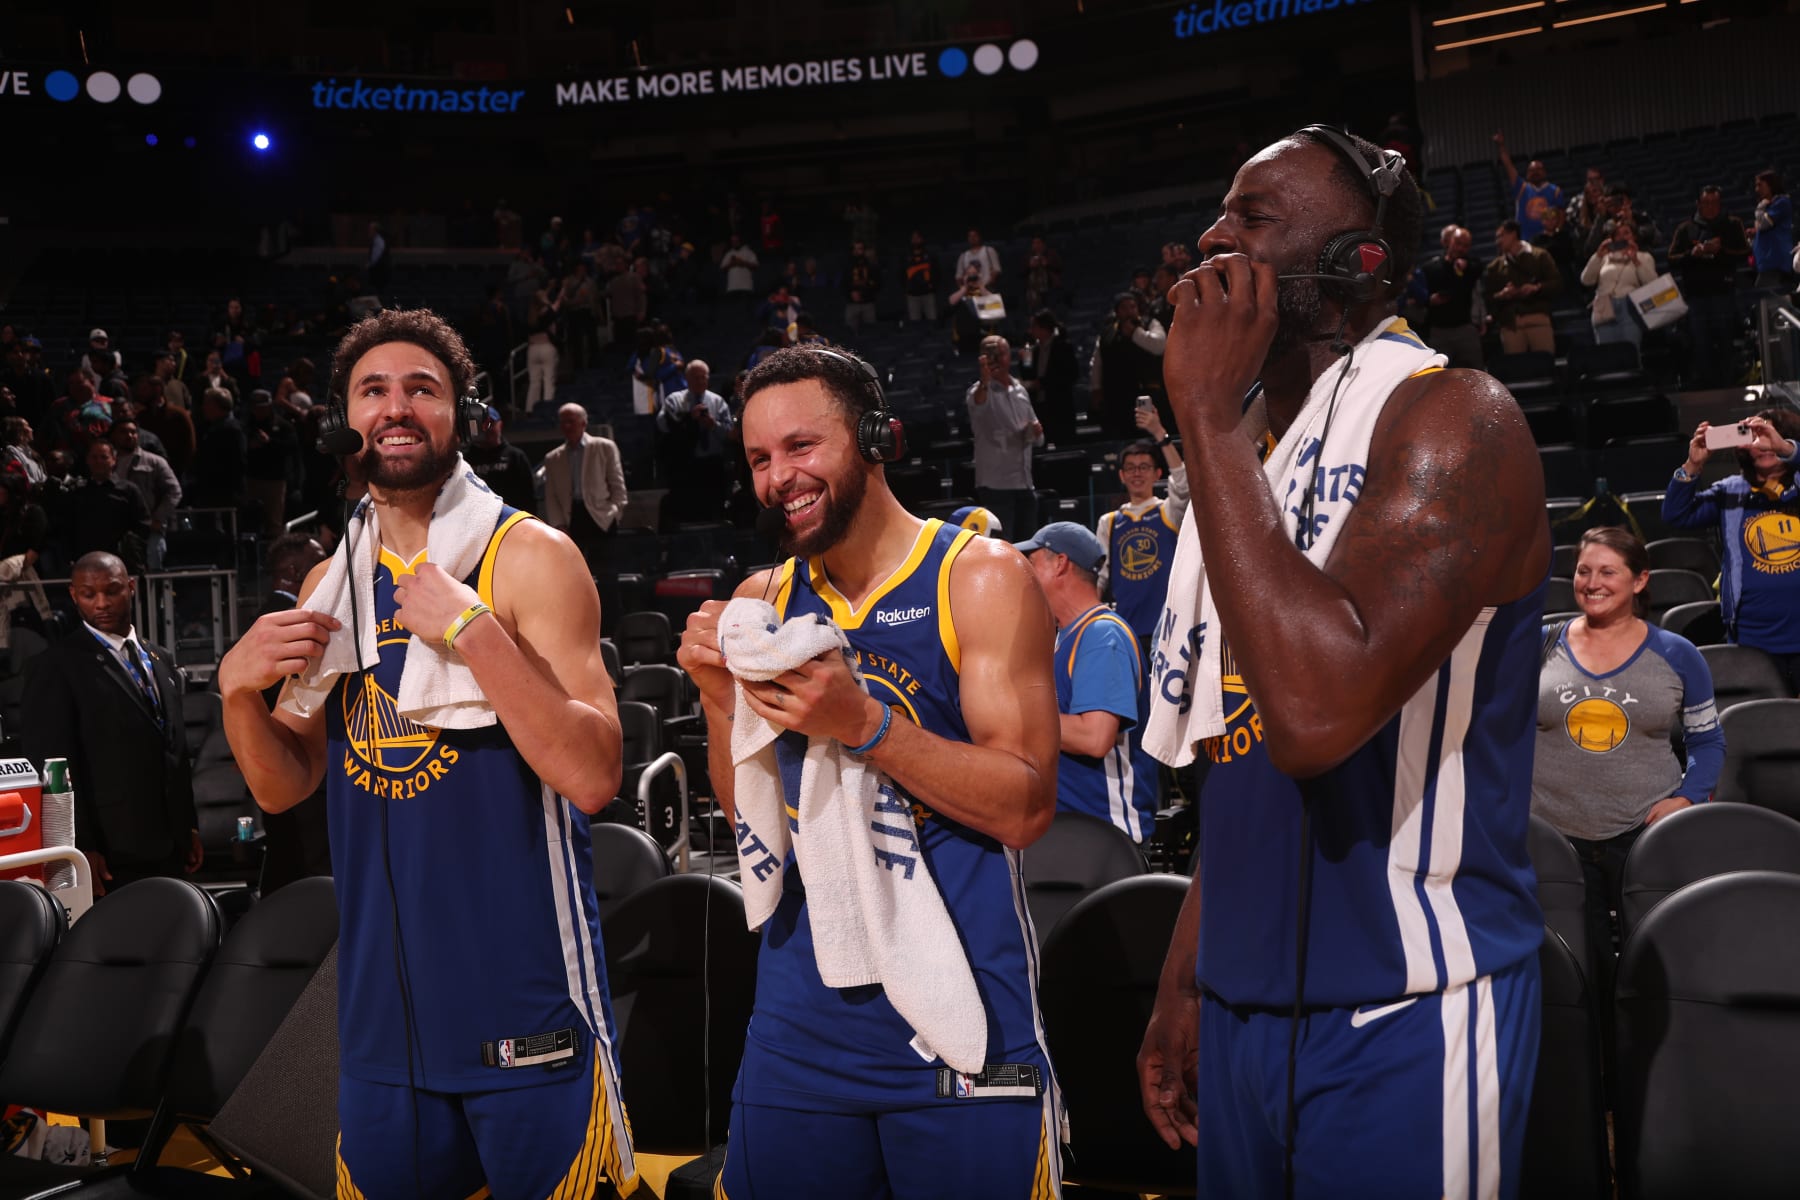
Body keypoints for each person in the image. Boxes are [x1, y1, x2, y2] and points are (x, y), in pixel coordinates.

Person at [1136, 128, 1550, 1199]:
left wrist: (1205, 425)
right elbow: (1245, 740)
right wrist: (1192, 973)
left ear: (1356, 264)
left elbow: (1316, 717)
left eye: (1254, 218)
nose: (1211, 238)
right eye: (1220, 212)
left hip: (1408, 1005)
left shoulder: (1458, 418)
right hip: (1243, 1010)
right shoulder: (1253, 459)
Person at [217, 309, 639, 1198]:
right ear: (344, 421)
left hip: (525, 1005)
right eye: (374, 391)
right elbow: (284, 786)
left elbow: (596, 774)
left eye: (422, 389)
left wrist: (475, 635)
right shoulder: (334, 581)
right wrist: (232, 690)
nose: (397, 408)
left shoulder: (530, 557)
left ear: (463, 413)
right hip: (381, 1024)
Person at [674, 343, 1062, 1199]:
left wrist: (866, 725)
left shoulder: (980, 578)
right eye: (761, 459)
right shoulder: (757, 603)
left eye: (802, 446)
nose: (780, 476)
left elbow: (1028, 806)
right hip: (798, 1024)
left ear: (877, 438)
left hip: (962, 1012)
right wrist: (715, 702)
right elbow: (756, 820)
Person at [1532, 526, 1724, 1054]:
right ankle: (1587, 1084)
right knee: (1575, 971)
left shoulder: (1678, 653)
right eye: (1583, 571)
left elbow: (1708, 743)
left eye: (1607, 571)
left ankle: (1643, 1073)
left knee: (1648, 966)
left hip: (1640, 834)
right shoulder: (1541, 643)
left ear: (1640, 580)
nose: (1592, 583)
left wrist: (1687, 797)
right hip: (1554, 835)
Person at [21, 551, 201, 897]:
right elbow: (55, 764)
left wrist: (188, 824)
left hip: (170, 843)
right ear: (74, 596)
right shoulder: (56, 666)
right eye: (89, 594)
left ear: (130, 587)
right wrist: (80, 844)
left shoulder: (159, 657)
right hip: (110, 849)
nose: (101, 603)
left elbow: (176, 752)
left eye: (112, 590)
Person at [1019, 520, 1159, 843]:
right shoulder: (1060, 638)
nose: (1024, 572)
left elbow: (1094, 737)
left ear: (1060, 563)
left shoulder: (1100, 634)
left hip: (1105, 841)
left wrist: (1018, 717)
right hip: (1071, 833)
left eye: (1033, 561)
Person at [1663, 411, 1800, 693]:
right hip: (1753, 638)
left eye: (1768, 435)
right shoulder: (1730, 492)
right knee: (1767, 726)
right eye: (1754, 437)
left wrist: (1785, 448)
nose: (1761, 445)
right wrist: (1693, 465)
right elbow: (1676, 514)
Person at [1095, 418, 1189, 657]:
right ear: (1121, 475)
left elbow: (1183, 484)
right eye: (1131, 468)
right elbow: (1099, 577)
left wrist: (1160, 433)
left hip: (1167, 626)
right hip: (1125, 627)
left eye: (1144, 467)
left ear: (1157, 473)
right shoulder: (1110, 522)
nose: (1137, 473)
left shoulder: (1168, 511)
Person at [540, 402, 627, 630]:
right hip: (571, 522)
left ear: (584, 423)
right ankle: (582, 629)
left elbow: (618, 487)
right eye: (564, 422)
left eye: (572, 421)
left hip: (601, 519)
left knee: (608, 580)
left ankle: (614, 629)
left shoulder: (604, 447)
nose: (567, 426)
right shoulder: (553, 458)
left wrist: (614, 513)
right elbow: (551, 497)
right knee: (574, 581)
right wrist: (559, 525)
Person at [1668, 186, 1752, 387]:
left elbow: (1744, 254)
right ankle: (1707, 386)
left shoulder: (1732, 224)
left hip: (1724, 293)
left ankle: (1729, 383)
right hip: (1696, 297)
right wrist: (1693, 253)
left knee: (1726, 341)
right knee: (1700, 344)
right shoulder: (1686, 228)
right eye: (1706, 203)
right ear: (1698, 204)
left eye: (1714, 203)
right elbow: (1672, 259)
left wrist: (1721, 251)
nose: (1710, 207)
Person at [966, 335, 1042, 540]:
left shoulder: (1020, 391)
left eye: (1001, 354)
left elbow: (1037, 436)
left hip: (1025, 484)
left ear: (1010, 356)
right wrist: (985, 381)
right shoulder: (979, 390)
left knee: (1028, 549)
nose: (997, 359)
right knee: (1002, 548)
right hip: (996, 487)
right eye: (991, 355)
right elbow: (979, 403)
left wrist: (1036, 432)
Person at [657, 359, 735, 523]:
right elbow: (663, 426)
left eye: (703, 377)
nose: (700, 381)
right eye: (695, 377)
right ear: (687, 379)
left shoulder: (717, 402)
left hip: (713, 467)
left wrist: (714, 425)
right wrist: (689, 418)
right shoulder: (674, 400)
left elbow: (730, 433)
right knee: (687, 514)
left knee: (714, 514)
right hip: (685, 467)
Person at [1090, 292, 1168, 436]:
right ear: (1117, 312)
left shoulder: (1150, 323)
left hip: (1147, 393)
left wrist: (1135, 333)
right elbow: (1097, 364)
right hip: (1116, 396)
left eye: (1132, 307)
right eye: (1124, 308)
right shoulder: (1107, 333)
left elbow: (1160, 346)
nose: (1129, 311)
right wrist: (1096, 389)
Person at [109, 418, 181, 571]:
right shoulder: (106, 462)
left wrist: (158, 518)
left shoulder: (154, 462)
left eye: (133, 432)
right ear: (113, 435)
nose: (129, 436)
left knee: (151, 577)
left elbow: (174, 492)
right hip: (116, 530)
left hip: (148, 531)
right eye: (123, 432)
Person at [1482, 219, 1562, 354]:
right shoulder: (1494, 267)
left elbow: (1557, 283)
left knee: (1544, 363)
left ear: (1513, 234)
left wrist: (1536, 288)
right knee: (1516, 368)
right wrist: (1502, 294)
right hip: (1511, 325)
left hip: (1538, 318)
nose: (1498, 241)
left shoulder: (1540, 255)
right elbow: (1488, 297)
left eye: (1501, 236)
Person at [1579, 221, 1659, 352]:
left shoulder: (1644, 257)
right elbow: (1586, 280)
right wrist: (1598, 255)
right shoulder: (1603, 258)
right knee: (1607, 354)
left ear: (1634, 236)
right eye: (1617, 234)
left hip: (1630, 308)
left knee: (1630, 352)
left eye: (1626, 233)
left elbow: (1652, 283)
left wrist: (1635, 260)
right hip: (1604, 308)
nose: (1622, 237)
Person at [1419, 225, 1485, 370]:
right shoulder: (1430, 268)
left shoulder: (1472, 267)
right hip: (1439, 332)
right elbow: (1419, 298)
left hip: (1465, 329)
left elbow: (1478, 269)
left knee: (1476, 373)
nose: (1461, 248)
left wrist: (1466, 266)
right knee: (1438, 376)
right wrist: (1430, 300)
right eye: (1458, 243)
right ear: (1449, 242)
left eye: (1466, 246)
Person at [463, 405, 536, 515]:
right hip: (475, 519)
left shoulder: (515, 456)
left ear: (500, 425)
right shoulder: (464, 460)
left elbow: (529, 496)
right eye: (481, 424)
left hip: (510, 520)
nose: (486, 429)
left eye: (490, 423)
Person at [1020, 309, 1078, 446]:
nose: (1030, 330)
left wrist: (1042, 383)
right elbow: (1027, 375)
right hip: (1040, 407)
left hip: (1060, 407)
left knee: (1064, 444)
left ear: (1044, 328)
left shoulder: (1063, 346)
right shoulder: (1034, 350)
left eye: (1034, 326)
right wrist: (1025, 361)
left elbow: (1071, 375)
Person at [1492, 132, 1564, 242]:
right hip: (1526, 240)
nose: (1535, 173)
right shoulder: (1521, 188)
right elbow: (1508, 165)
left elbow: (1561, 215)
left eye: (1538, 170)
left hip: (1549, 240)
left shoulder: (1555, 191)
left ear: (1544, 172)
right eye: (1532, 171)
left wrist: (1557, 233)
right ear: (1527, 174)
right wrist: (1501, 146)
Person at [1751, 170, 1795, 290]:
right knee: (1773, 301)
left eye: (1760, 185)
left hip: (1774, 260)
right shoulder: (1769, 206)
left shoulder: (1781, 202)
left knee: (1766, 298)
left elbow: (1765, 223)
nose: (1757, 189)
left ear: (1770, 185)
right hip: (1766, 262)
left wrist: (1760, 207)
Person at [902, 230, 938, 325]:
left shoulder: (930, 255)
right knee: (915, 324)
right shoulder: (905, 256)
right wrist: (906, 287)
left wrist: (932, 286)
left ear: (922, 239)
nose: (916, 240)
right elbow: (901, 275)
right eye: (913, 238)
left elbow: (937, 273)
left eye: (917, 238)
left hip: (928, 294)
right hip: (912, 295)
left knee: (932, 321)